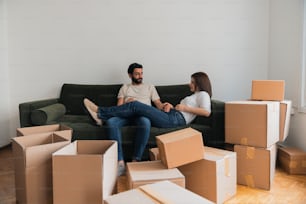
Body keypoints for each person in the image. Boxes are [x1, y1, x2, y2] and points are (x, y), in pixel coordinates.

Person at [84, 71, 212, 132]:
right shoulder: (195, 95)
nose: (190, 84)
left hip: (175, 120)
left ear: (199, 83)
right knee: (134, 106)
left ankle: (99, 112)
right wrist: (170, 106)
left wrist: (184, 108)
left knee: (135, 105)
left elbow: (206, 112)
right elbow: (182, 109)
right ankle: (101, 116)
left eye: (192, 82)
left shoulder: (203, 94)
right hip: (172, 115)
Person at [103, 63, 170, 176]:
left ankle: (136, 160)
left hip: (142, 116)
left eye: (141, 73)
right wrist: (127, 103)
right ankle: (120, 162)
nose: (140, 76)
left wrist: (165, 106)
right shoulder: (125, 88)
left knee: (145, 122)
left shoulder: (149, 87)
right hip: (126, 115)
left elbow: (158, 104)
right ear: (130, 75)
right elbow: (118, 108)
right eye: (137, 74)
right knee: (110, 122)